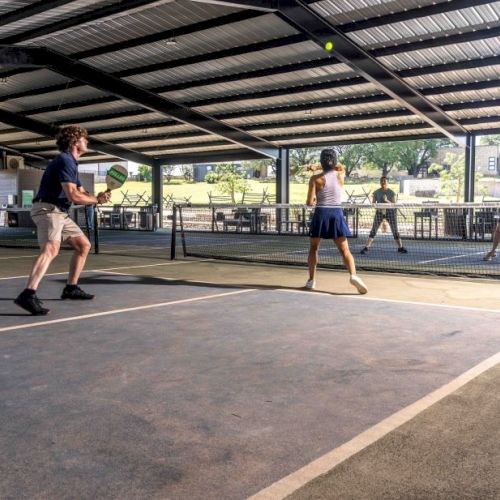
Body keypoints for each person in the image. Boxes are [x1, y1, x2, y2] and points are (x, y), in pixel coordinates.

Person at [14, 125, 111, 315]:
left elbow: (83, 193)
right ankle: (28, 293)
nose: (87, 142)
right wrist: (95, 200)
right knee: (51, 248)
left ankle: (70, 288)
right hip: (48, 210)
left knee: (83, 246)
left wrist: (98, 197)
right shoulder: (65, 160)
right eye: (84, 139)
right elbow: (74, 196)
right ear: (75, 142)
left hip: (60, 212)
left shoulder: (72, 164)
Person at [305, 148, 368, 294]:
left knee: (314, 248)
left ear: (321, 161)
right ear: (334, 160)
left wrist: (316, 168)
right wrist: (321, 165)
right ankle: (353, 275)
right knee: (345, 250)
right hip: (336, 213)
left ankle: (311, 280)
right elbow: (339, 166)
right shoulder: (341, 175)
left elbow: (309, 203)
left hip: (321, 213)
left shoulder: (315, 179)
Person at [360, 176, 408, 254]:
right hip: (379, 212)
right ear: (380, 182)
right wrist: (376, 206)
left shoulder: (391, 193)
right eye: (382, 181)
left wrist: (386, 201)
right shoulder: (376, 192)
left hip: (390, 213)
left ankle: (400, 247)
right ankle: (366, 247)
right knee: (373, 230)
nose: (383, 183)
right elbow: (373, 203)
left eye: (385, 181)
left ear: (387, 182)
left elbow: (394, 205)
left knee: (395, 231)